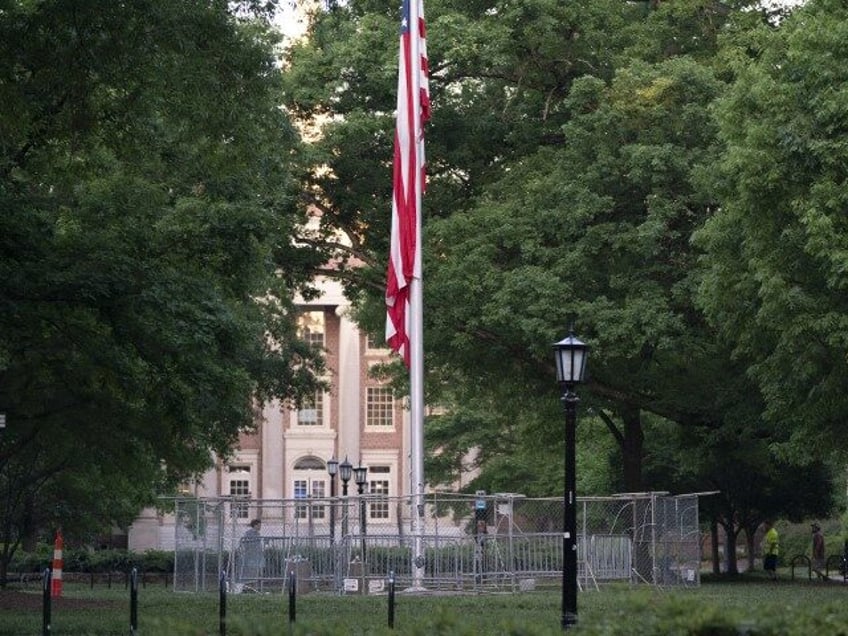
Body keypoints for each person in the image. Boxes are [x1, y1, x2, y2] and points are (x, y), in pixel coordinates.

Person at [239, 519, 264, 586]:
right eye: (259, 525)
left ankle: (255, 586)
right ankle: (247, 585)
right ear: (255, 525)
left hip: (257, 555)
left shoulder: (258, 533)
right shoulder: (248, 533)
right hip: (250, 555)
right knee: (249, 571)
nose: (260, 527)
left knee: (257, 571)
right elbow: (245, 543)